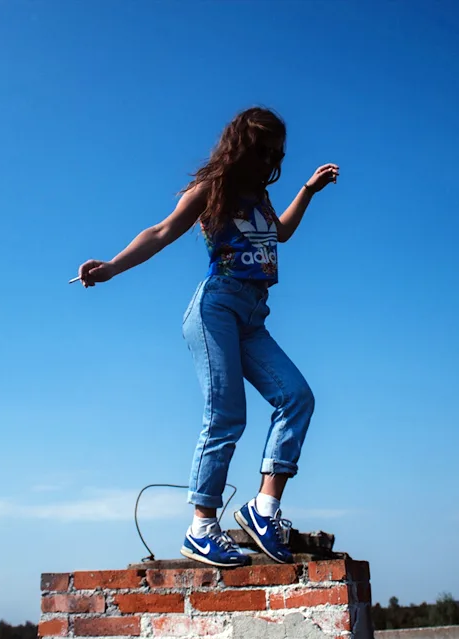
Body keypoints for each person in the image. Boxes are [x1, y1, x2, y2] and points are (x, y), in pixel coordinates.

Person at [76, 106, 338, 567]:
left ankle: (264, 508)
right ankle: (201, 527)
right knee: (226, 413)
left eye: (276, 153)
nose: (269, 161)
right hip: (216, 307)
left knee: (297, 396)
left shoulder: (260, 196)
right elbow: (161, 230)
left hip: (254, 317)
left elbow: (279, 234)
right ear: (242, 147)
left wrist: (308, 191)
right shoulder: (213, 189)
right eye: (262, 151)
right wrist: (113, 267)